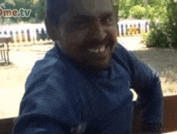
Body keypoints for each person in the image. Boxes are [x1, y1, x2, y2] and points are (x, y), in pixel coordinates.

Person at [12, 0, 164, 133]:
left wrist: (151, 127)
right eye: (81, 23)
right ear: (52, 30)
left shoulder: (118, 55)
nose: (99, 35)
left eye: (106, 20)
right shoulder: (52, 83)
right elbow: (37, 125)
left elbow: (151, 82)